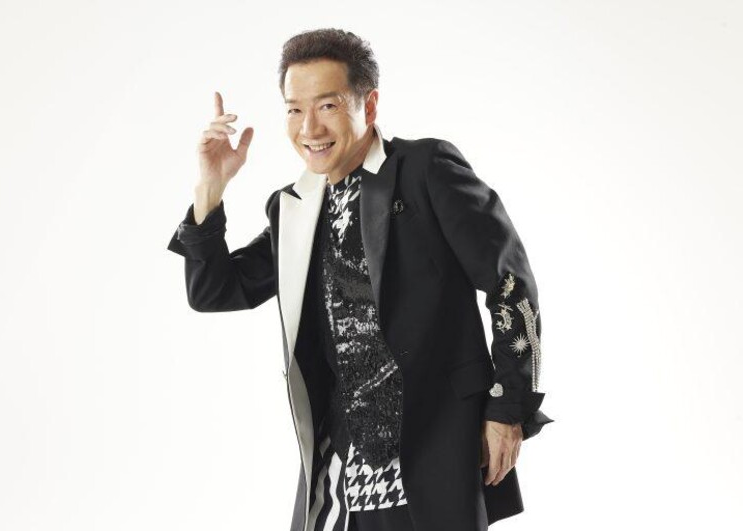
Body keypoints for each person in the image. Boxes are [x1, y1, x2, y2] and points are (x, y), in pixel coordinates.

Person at [167, 28, 553, 531]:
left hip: (431, 448)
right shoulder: (295, 208)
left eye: (327, 106)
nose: (309, 127)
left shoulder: (424, 170)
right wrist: (209, 188)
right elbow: (215, 291)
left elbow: (510, 283)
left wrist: (507, 409)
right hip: (340, 467)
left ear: (368, 106)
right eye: (293, 109)